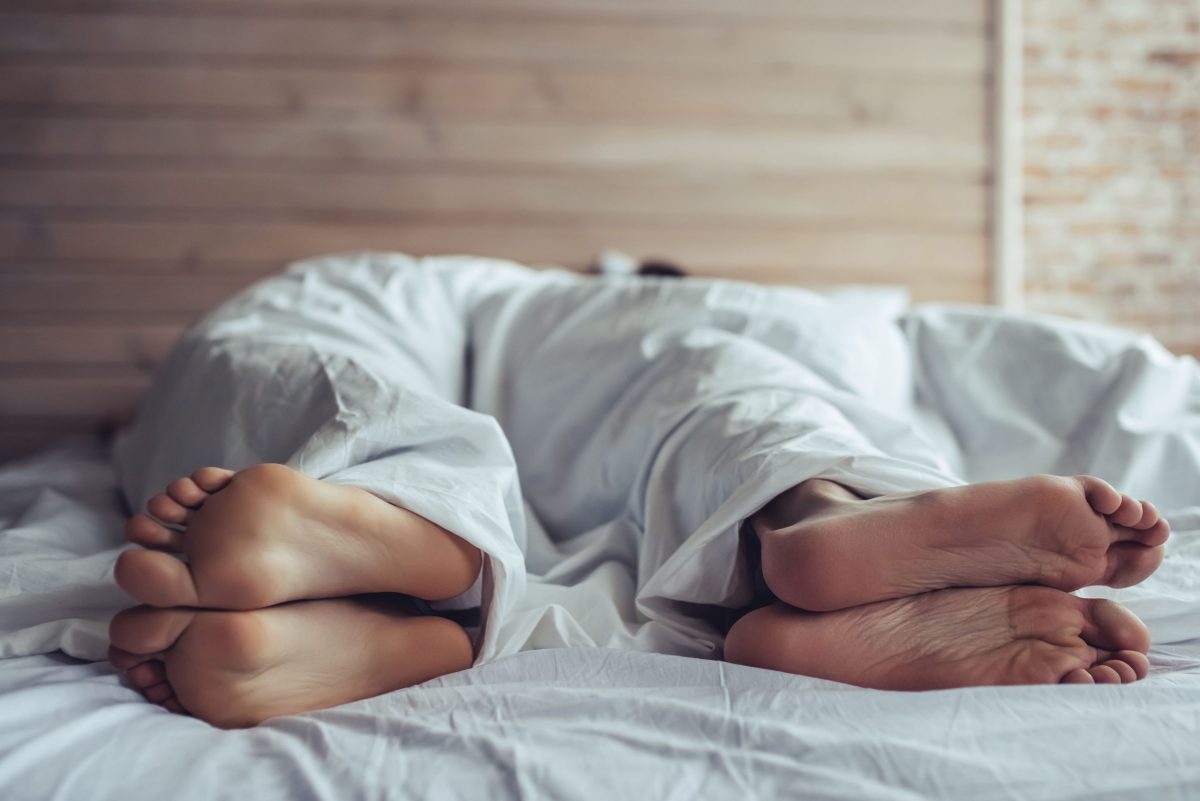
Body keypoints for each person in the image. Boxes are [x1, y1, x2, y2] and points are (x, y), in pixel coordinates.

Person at [107, 254, 1171, 728]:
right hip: (719, 358)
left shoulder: (504, 293)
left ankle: (411, 538)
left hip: (510, 346)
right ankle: (810, 516)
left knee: (286, 365)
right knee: (736, 386)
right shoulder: (758, 313)